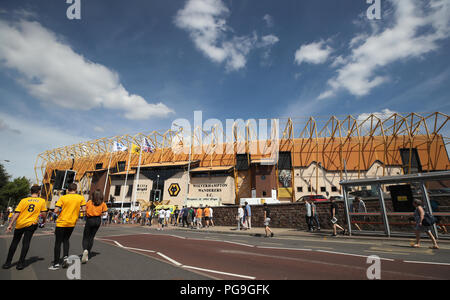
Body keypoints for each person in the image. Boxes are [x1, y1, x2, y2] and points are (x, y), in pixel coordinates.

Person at [2, 185, 48, 270]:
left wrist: (10, 224)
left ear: (30, 192)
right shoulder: (41, 201)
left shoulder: (23, 200)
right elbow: (44, 213)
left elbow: (17, 213)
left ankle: (7, 263)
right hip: (31, 224)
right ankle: (20, 263)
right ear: (38, 192)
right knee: (26, 243)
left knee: (14, 242)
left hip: (20, 223)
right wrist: (44, 220)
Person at [49, 183, 86, 270]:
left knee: (58, 242)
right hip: (72, 223)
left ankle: (56, 263)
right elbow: (84, 210)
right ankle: (65, 257)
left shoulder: (63, 197)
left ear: (68, 190)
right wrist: (76, 211)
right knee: (66, 240)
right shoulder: (80, 198)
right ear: (76, 189)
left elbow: (56, 210)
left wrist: (57, 213)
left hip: (62, 222)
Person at [81, 189, 107, 264]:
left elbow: (85, 210)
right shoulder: (103, 203)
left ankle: (85, 249)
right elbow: (104, 213)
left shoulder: (89, 202)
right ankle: (88, 252)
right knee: (91, 237)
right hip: (98, 220)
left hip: (90, 219)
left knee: (86, 236)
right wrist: (99, 213)